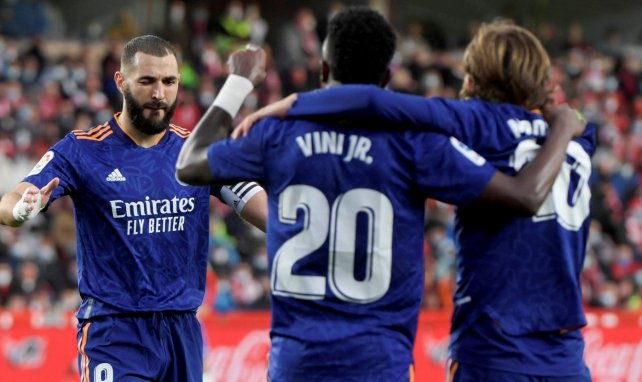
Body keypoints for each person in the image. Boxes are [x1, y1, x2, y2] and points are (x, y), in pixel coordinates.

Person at [176, 8, 587, 382]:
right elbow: (519, 194)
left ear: (322, 70)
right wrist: (563, 126)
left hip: (297, 364)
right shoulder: (416, 143)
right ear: (388, 76)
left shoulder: (276, 135)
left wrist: (239, 83)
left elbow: (190, 164)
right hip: (383, 363)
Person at [0, 35, 266, 381]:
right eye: (148, 81)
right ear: (121, 81)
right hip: (114, 331)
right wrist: (22, 209)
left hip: (182, 330)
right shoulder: (83, 150)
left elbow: (259, 205)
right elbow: (13, 201)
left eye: (169, 82)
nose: (160, 93)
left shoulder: (198, 151)